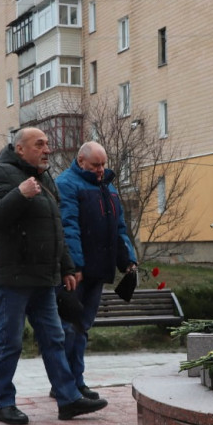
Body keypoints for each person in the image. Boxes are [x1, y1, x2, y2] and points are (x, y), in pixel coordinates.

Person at [0, 127, 108, 425]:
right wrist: (19, 195)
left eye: (48, 144)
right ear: (20, 148)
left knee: (55, 339)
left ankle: (68, 399)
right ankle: (4, 404)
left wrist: (67, 267)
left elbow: (55, 228)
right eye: (40, 144)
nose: (47, 149)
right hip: (13, 278)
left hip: (44, 278)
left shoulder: (44, 177)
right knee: (10, 342)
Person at [55, 142, 137, 399]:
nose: (101, 169)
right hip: (76, 272)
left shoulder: (108, 187)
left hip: (99, 269)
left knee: (82, 327)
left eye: (103, 164)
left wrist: (128, 260)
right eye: (95, 165)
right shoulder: (66, 184)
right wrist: (75, 266)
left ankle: (75, 382)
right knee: (69, 328)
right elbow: (68, 228)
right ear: (81, 161)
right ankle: (66, 385)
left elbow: (119, 227)